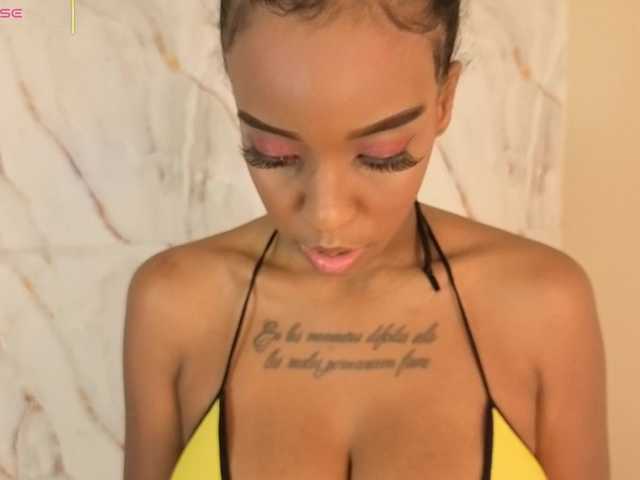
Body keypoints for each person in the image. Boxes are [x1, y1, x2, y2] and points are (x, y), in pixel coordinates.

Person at [122, 1, 610, 478]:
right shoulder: (173, 306)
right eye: (273, 154)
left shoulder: (544, 307)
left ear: (444, 100)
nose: (326, 217)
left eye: (382, 156)